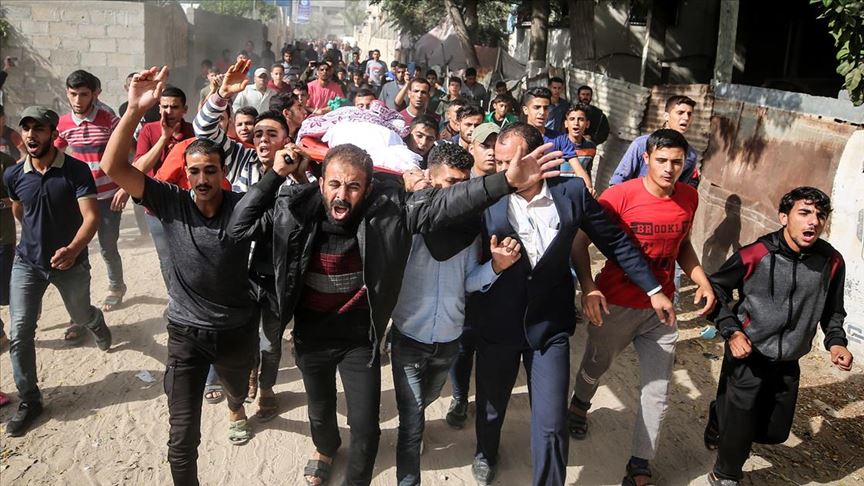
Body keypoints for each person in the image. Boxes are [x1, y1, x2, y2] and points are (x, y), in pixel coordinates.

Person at [228, 131, 565, 486]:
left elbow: (444, 204)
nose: (342, 195)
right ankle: (325, 448)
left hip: (360, 341)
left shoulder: (387, 214)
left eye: (354, 187)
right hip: (311, 338)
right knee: (321, 411)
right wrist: (275, 174)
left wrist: (505, 181)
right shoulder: (294, 211)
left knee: (366, 428)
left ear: (368, 189)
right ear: (321, 183)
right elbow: (238, 228)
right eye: (335, 184)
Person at [467, 122, 673, 486]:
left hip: (549, 328)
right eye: (498, 163)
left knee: (550, 424)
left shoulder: (572, 192)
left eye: (509, 162)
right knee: (491, 404)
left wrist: (653, 288)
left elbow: (614, 240)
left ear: (537, 158)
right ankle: (485, 451)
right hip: (497, 324)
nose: (502, 171)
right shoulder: (486, 197)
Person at [101, 66, 260, 485]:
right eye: (194, 172)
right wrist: (134, 110)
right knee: (181, 438)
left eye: (210, 170)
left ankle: (236, 404)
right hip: (186, 335)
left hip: (236, 330)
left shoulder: (242, 207)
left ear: (222, 172)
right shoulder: (171, 201)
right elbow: (113, 165)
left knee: (237, 389)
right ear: (184, 174)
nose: (202, 179)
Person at [569, 129, 714, 486]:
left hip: (661, 312)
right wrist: (588, 287)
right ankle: (579, 404)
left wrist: (701, 278)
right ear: (646, 158)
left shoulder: (689, 197)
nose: (669, 169)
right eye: (661, 160)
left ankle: (639, 465)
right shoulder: (618, 196)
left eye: (676, 162)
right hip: (616, 305)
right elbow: (578, 244)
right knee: (595, 365)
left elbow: (683, 246)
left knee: (658, 391)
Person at [390, 143, 522, 486]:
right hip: (408, 337)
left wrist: (496, 266)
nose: (458, 194)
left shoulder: (469, 229)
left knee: (428, 398)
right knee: (411, 423)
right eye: (450, 183)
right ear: (429, 177)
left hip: (449, 340)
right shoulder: (407, 220)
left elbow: (468, 282)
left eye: (464, 185)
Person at [703, 187, 853, 486]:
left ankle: (720, 413)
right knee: (741, 425)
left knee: (774, 431)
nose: (813, 221)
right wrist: (732, 331)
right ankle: (725, 474)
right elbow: (715, 289)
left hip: (788, 358)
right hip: (747, 350)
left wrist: (836, 342)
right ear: (784, 217)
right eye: (804, 213)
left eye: (820, 215)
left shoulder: (832, 261)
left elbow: (833, 310)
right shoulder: (756, 253)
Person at [4, 106, 112, 437]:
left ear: (53, 134)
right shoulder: (13, 175)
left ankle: (94, 320)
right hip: (27, 263)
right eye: (26, 128)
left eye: (38, 128)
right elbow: (20, 210)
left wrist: (72, 249)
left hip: (71, 263)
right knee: (21, 330)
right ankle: (30, 399)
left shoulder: (76, 171)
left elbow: (92, 217)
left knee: (79, 314)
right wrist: (37, 238)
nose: (31, 134)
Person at [55, 70, 127, 323]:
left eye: (83, 94)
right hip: (80, 199)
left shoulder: (110, 120)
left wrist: (124, 188)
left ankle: (116, 287)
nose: (78, 100)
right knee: (77, 248)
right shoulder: (63, 124)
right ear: (67, 93)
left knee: (108, 247)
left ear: (94, 94)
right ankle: (79, 304)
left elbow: (128, 154)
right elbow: (53, 156)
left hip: (108, 197)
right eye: (73, 94)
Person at [445, 122, 500, 430]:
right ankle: (459, 397)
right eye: (484, 145)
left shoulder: (509, 186)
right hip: (464, 281)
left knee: (492, 346)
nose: (491, 152)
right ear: (471, 148)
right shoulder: (461, 186)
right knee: (464, 345)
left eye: (496, 145)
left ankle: (488, 403)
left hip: (499, 278)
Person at [196, 59, 292, 194]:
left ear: (286, 141)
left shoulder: (295, 170)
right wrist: (223, 94)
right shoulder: (242, 159)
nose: (263, 139)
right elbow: (202, 128)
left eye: (272, 134)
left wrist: (301, 177)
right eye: (258, 134)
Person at [610, 95, 699, 187]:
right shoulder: (641, 144)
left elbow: (679, 188)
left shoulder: (690, 155)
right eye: (680, 113)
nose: (686, 118)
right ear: (666, 116)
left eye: (689, 114)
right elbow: (618, 180)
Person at [550, 104, 596, 193]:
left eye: (581, 119)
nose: (576, 123)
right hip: (559, 191)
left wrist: (589, 189)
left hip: (579, 192)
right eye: (572, 119)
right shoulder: (557, 144)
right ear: (566, 123)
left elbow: (587, 170)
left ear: (587, 124)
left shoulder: (591, 147)